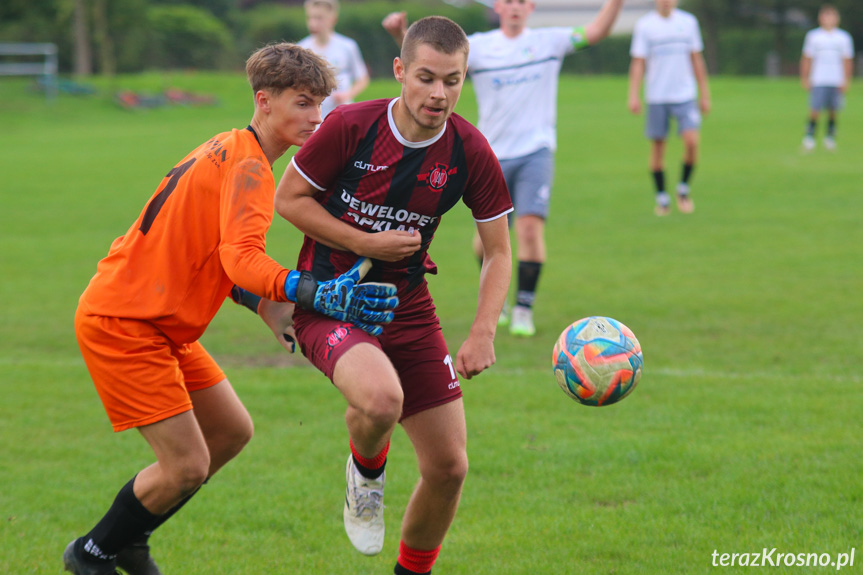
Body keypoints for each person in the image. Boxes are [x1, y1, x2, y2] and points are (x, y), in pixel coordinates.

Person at [62, 43, 399, 575]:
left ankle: (131, 536)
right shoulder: (249, 168)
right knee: (187, 465)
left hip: (160, 323)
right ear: (264, 101)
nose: (317, 117)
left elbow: (213, 255)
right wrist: (312, 291)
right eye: (303, 103)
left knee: (230, 432)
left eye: (320, 104)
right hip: (126, 324)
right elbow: (242, 258)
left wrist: (263, 305)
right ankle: (92, 552)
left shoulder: (230, 147)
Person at [274, 16, 513, 575]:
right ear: (400, 70)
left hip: (408, 309)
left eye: (452, 81)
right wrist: (366, 242)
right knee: (382, 400)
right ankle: (367, 474)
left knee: (450, 466)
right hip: (328, 302)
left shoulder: (468, 150)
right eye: (427, 77)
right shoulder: (351, 126)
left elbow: (498, 251)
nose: (439, 94)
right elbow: (291, 200)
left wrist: (482, 332)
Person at [384, 0, 624, 337]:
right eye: (508, 1)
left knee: (528, 230)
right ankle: (502, 300)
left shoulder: (549, 42)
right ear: (498, 7)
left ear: (532, 8)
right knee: (485, 244)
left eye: (522, 2)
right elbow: (428, 60)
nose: (515, 7)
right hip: (491, 156)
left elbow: (596, 31)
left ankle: (524, 308)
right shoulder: (479, 47)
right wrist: (400, 34)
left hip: (535, 153)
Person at [628, 0, 711, 217]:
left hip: (685, 95)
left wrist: (705, 93)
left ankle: (683, 189)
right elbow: (638, 62)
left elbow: (696, 59)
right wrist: (634, 94)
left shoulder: (688, 22)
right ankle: (662, 198)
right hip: (657, 96)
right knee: (658, 148)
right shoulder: (645, 25)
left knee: (692, 142)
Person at [298, 0, 370, 120]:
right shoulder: (301, 49)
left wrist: (347, 95)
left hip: (343, 115)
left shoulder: (347, 46)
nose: (313, 23)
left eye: (319, 18)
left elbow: (362, 79)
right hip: (315, 118)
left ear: (333, 19)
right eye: (310, 18)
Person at [800, 4, 854, 152]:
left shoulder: (843, 37)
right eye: (826, 16)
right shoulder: (814, 36)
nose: (829, 19)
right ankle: (809, 136)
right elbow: (807, 58)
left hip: (836, 79)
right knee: (814, 109)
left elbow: (847, 60)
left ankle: (830, 137)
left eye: (832, 16)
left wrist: (846, 79)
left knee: (833, 110)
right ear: (820, 18)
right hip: (818, 79)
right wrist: (805, 77)